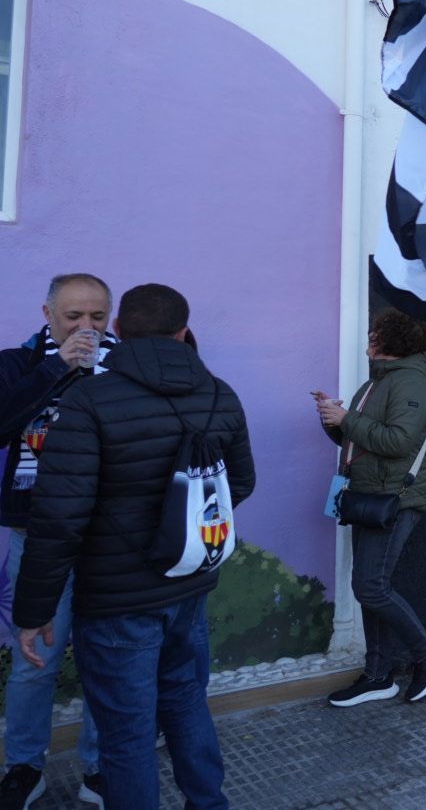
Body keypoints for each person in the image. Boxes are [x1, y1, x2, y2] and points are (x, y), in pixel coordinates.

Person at [13, 284, 255, 809]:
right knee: (188, 701)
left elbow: (60, 517)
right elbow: (239, 485)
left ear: (117, 329)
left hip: (116, 600)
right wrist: (175, 529)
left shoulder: (89, 399)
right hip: (188, 585)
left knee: (126, 737)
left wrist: (32, 611)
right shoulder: (219, 391)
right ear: (184, 333)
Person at [0, 274, 112, 808]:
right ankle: (24, 766)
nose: (87, 328)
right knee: (33, 661)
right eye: (74, 317)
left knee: (106, 658)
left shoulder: (128, 364)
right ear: (48, 313)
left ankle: (99, 765)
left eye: (98, 316)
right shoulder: (17, 363)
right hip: (38, 534)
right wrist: (56, 367)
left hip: (112, 539)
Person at [315, 309, 426, 708]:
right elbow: (357, 440)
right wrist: (333, 420)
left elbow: (398, 442)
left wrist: (348, 418)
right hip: (367, 494)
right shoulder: (376, 382)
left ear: (391, 342)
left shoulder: (412, 382)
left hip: (394, 497)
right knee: (370, 586)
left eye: (374, 337)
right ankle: (378, 675)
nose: (367, 344)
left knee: (370, 586)